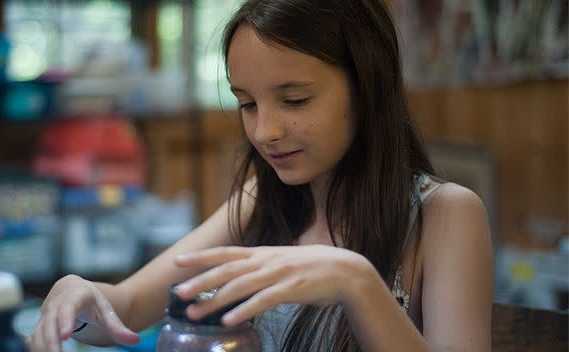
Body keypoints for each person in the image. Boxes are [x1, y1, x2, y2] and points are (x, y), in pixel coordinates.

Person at [28, 0, 494, 351]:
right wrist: (81, 298)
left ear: (367, 87)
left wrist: (358, 284)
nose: (265, 132)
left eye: (294, 100)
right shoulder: (262, 198)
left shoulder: (444, 214)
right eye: (247, 103)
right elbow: (126, 309)